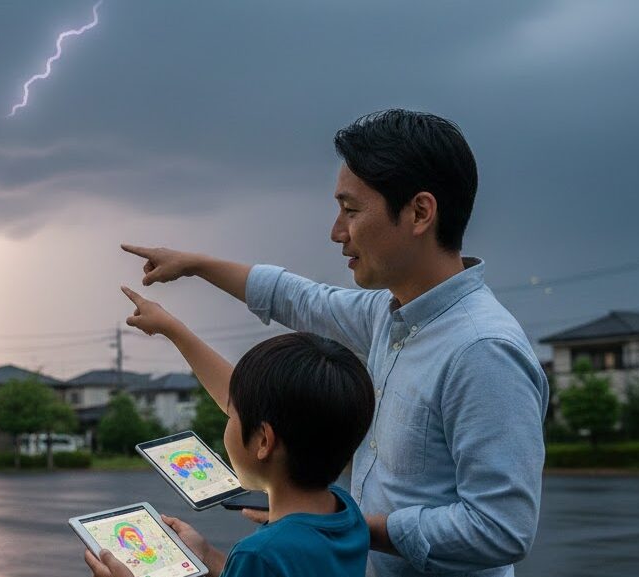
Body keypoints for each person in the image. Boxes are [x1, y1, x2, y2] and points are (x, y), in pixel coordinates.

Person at [119, 109, 549, 576]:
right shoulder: (390, 315)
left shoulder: (483, 351)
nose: (336, 231)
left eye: (351, 210)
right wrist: (196, 265)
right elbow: (298, 298)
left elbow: (501, 528)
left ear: (420, 212)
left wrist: (337, 525)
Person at [85, 305, 375, 577]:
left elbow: (263, 564)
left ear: (263, 441)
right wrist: (207, 555)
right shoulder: (347, 513)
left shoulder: (259, 554)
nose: (228, 421)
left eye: (230, 414)